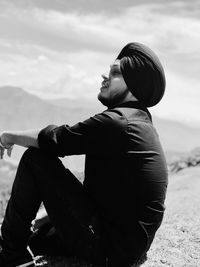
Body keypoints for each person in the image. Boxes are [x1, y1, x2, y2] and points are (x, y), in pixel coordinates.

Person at [0, 42, 168, 267]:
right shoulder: (137, 121)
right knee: (40, 240)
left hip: (110, 248)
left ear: (134, 85)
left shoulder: (119, 123)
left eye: (115, 72)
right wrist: (53, 214)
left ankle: (10, 256)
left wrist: (7, 136)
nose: (104, 76)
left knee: (35, 160)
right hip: (123, 244)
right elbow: (111, 193)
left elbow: (55, 140)